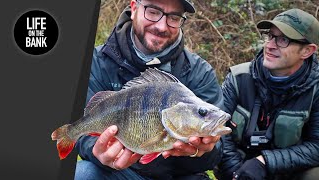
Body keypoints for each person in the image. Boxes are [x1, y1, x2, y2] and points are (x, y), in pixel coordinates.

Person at [74, 0, 224, 179]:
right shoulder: (96, 62)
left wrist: (203, 150)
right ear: (134, 7)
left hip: (179, 176)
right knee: (83, 174)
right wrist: (97, 150)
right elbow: (83, 125)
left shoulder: (200, 73)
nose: (161, 26)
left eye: (174, 17)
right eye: (153, 12)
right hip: (120, 174)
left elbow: (216, 153)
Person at [217, 8, 319, 180]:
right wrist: (237, 174)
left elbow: (317, 147)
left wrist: (265, 161)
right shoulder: (238, 78)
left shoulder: (316, 89)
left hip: (288, 172)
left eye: (283, 40)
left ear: (307, 51)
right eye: (270, 36)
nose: (270, 45)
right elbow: (217, 130)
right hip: (239, 168)